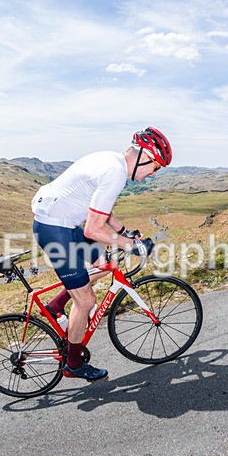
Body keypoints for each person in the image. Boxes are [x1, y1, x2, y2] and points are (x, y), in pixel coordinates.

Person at [31, 126, 171, 381]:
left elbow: (100, 208)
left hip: (63, 223)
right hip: (55, 230)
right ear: (144, 156)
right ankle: (72, 364)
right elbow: (94, 229)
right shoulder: (115, 172)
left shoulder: (111, 160)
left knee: (105, 261)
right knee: (86, 302)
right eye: (155, 167)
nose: (153, 174)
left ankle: (56, 304)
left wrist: (123, 232)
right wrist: (131, 246)